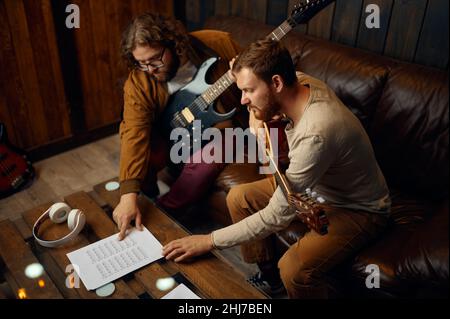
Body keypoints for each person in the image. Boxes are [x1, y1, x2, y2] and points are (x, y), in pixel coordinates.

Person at [162, 39, 391, 298]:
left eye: (248, 90)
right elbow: (255, 109)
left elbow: (275, 215)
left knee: (293, 269)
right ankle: (271, 281)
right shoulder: (300, 82)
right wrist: (256, 120)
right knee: (240, 198)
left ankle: (287, 280)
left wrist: (207, 240)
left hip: (356, 207)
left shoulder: (317, 133)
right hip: (316, 185)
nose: (242, 99)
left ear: (277, 83)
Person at [113, 13, 242, 240]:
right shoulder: (140, 82)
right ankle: (149, 195)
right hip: (170, 131)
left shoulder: (215, 42)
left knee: (210, 157)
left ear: (172, 43)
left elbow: (255, 73)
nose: (150, 69)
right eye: (141, 63)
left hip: (222, 127)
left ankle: (165, 212)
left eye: (154, 60)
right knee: (141, 147)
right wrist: (127, 196)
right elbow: (134, 131)